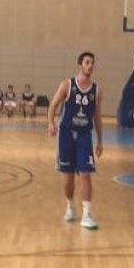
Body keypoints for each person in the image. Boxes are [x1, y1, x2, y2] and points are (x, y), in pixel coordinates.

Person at [47, 53, 104, 230]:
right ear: (80, 65)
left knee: (86, 174)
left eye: (92, 63)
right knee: (68, 177)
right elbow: (53, 105)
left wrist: (100, 140)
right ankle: (70, 207)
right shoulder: (67, 85)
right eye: (87, 62)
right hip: (66, 134)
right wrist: (50, 124)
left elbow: (97, 116)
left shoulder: (96, 90)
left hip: (84, 136)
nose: (90, 66)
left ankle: (86, 214)